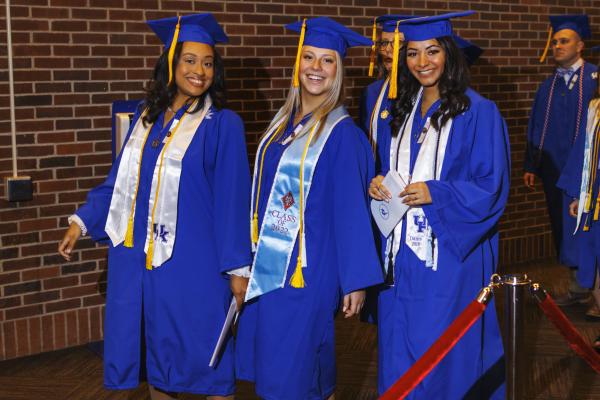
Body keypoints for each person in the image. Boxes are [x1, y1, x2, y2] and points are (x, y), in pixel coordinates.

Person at [58, 14, 251, 399]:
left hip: (197, 266)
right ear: (171, 64)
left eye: (208, 62)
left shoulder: (221, 124)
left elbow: (233, 201)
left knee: (210, 364)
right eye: (190, 60)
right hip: (144, 264)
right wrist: (82, 222)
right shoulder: (145, 119)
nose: (199, 71)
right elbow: (120, 184)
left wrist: (238, 269)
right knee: (158, 362)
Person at [235, 17, 383, 400]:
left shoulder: (344, 136)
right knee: (286, 365)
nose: (316, 68)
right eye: (308, 57)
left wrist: (354, 280)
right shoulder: (283, 125)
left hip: (308, 269)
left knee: (296, 366)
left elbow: (352, 212)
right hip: (270, 263)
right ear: (296, 63)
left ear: (339, 70)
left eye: (327, 60)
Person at [368, 11, 509, 399]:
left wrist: (437, 193)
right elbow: (390, 167)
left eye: (432, 51)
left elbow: (491, 186)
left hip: (447, 255)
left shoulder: (478, 112)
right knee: (399, 351)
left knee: (443, 352)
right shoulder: (398, 111)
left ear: (448, 54)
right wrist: (377, 182)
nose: (422, 62)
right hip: (399, 257)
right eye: (412, 53)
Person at [524, 15, 598, 306]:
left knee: (590, 227)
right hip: (555, 171)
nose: (557, 46)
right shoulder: (548, 85)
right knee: (562, 226)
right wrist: (531, 165)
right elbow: (535, 125)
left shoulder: (595, 78)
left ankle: (595, 292)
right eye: (554, 42)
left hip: (589, 172)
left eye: (564, 41)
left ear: (580, 45)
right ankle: (577, 284)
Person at [557, 50, 600, 328]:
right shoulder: (595, 108)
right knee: (594, 255)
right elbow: (582, 154)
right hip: (595, 196)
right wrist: (577, 194)